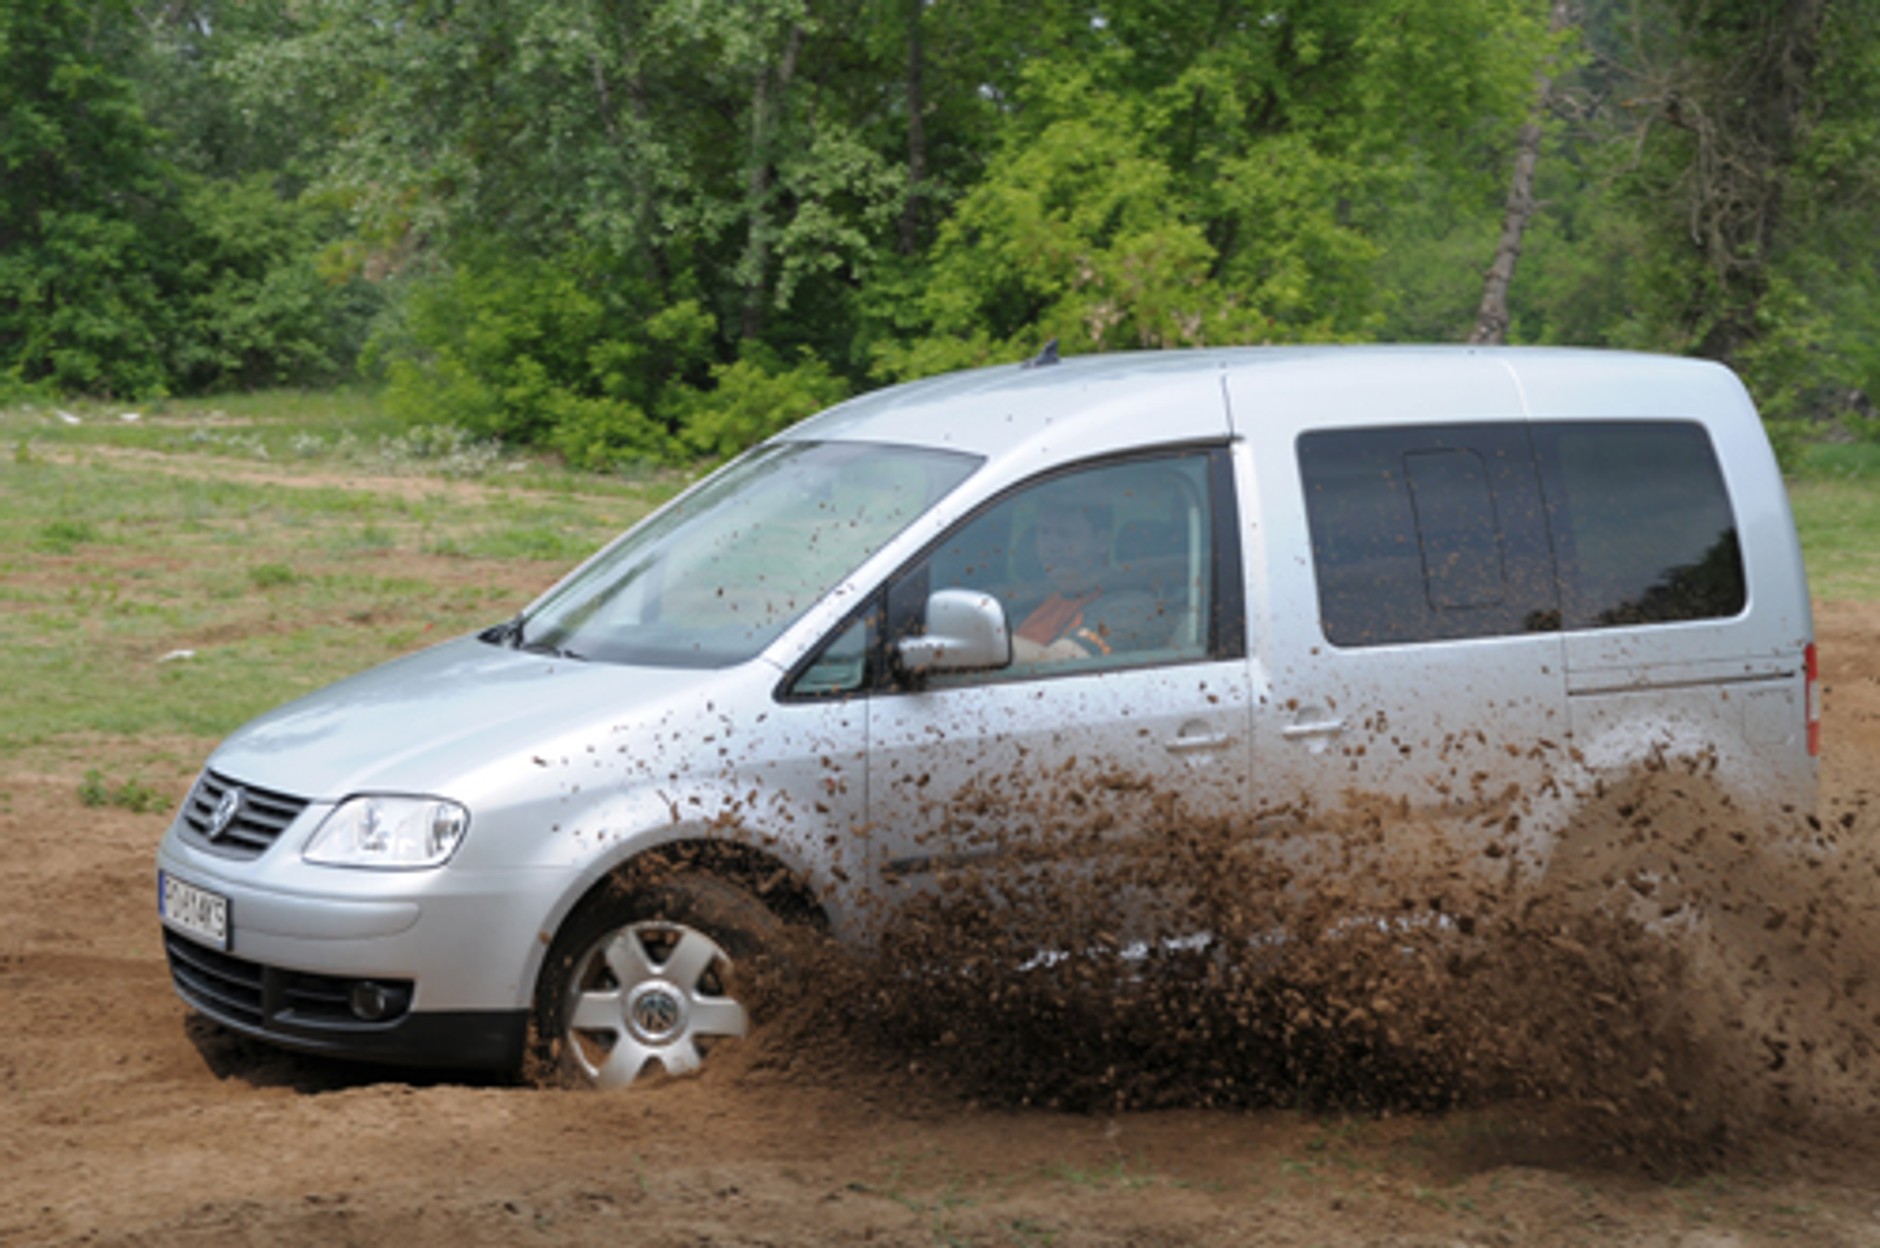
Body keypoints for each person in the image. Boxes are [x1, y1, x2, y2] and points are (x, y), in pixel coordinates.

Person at [1009, 492, 1160, 664]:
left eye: (1065, 535)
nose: (1051, 546)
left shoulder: (1131, 606)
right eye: (1044, 533)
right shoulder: (1029, 602)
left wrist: (986, 644)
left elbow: (1062, 662)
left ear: (1102, 542)